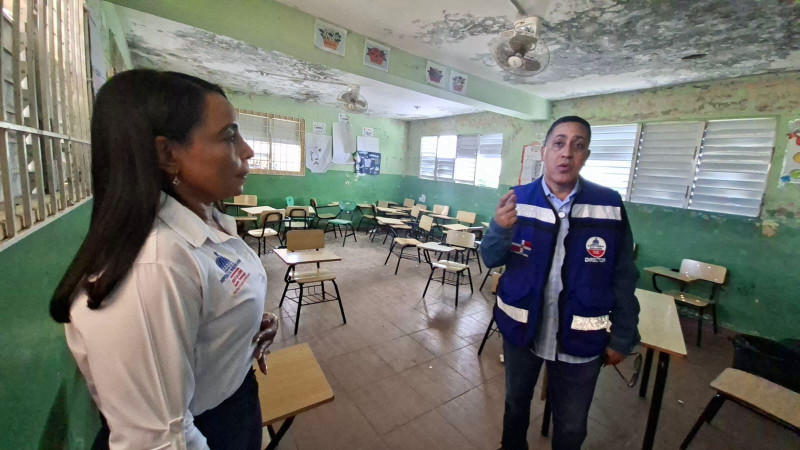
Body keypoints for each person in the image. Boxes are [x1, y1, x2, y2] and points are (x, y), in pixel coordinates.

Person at [49, 69, 278, 449]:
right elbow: (159, 440)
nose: (248, 150)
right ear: (167, 154)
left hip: (235, 403)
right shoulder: (154, 264)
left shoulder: (210, 219)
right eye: (229, 136)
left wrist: (245, 322)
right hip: (206, 429)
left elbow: (207, 307)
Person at [481, 116, 640, 450]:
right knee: (515, 407)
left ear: (586, 155)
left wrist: (623, 336)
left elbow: (624, 274)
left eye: (578, 145)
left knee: (570, 426)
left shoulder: (609, 204)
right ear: (544, 151)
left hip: (582, 338)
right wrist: (499, 228)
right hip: (522, 331)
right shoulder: (518, 198)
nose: (567, 153)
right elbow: (491, 258)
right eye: (559, 143)